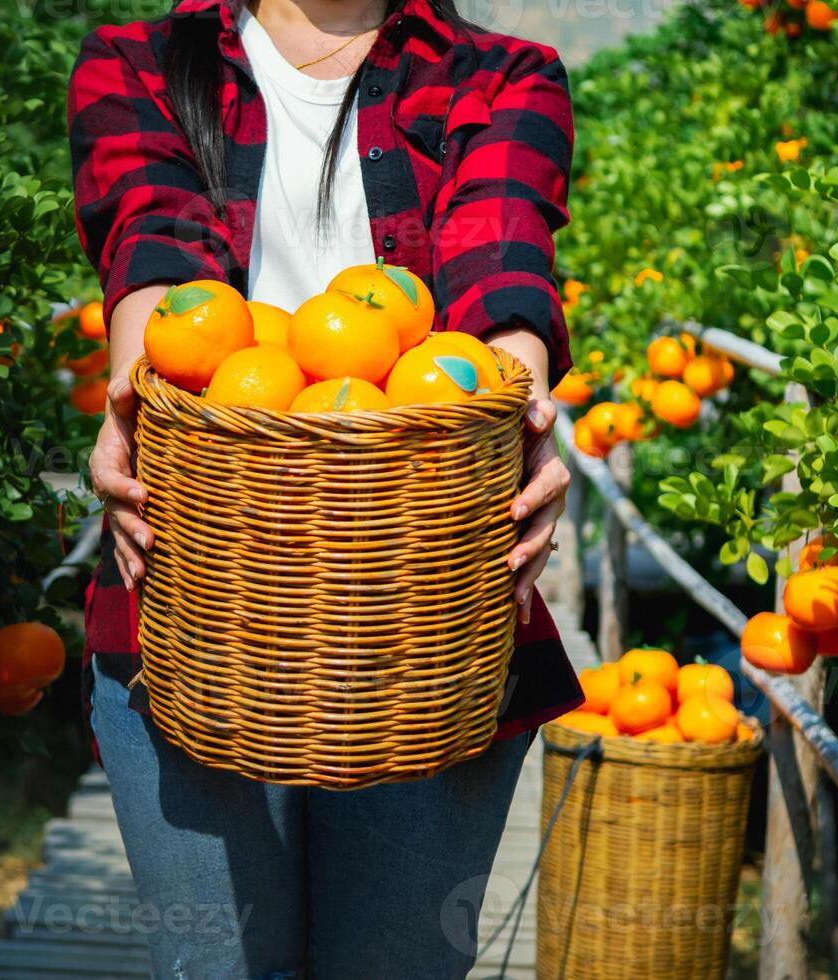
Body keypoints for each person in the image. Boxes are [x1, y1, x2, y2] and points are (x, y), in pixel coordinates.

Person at [68, 0, 581, 972]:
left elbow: (500, 259)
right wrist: (136, 395)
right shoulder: (140, 61)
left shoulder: (500, 75)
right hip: (199, 592)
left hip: (425, 610)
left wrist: (517, 414)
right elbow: (154, 246)